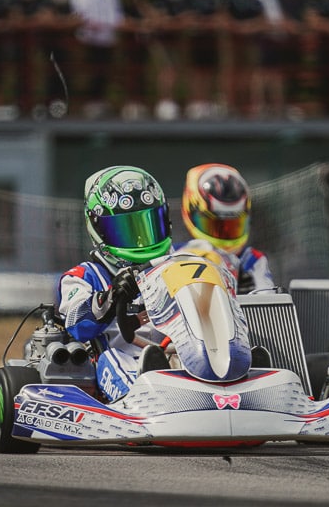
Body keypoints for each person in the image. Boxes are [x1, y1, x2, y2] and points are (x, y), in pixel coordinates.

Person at [56, 165, 174, 401]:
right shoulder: (84, 276)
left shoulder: (177, 266)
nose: (141, 242)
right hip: (126, 360)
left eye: (148, 226)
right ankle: (142, 400)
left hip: (180, 354)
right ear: (98, 229)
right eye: (126, 230)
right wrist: (110, 297)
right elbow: (76, 325)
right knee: (115, 359)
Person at [180, 163, 275, 294]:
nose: (224, 232)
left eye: (232, 225)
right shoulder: (175, 256)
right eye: (216, 225)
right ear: (191, 210)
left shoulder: (253, 261)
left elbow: (268, 303)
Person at [69, 0, 124, 119]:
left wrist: (116, 25)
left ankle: (100, 101)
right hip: (88, 37)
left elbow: (117, 12)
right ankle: (87, 102)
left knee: (105, 71)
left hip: (107, 38)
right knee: (88, 71)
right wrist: (89, 23)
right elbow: (77, 10)